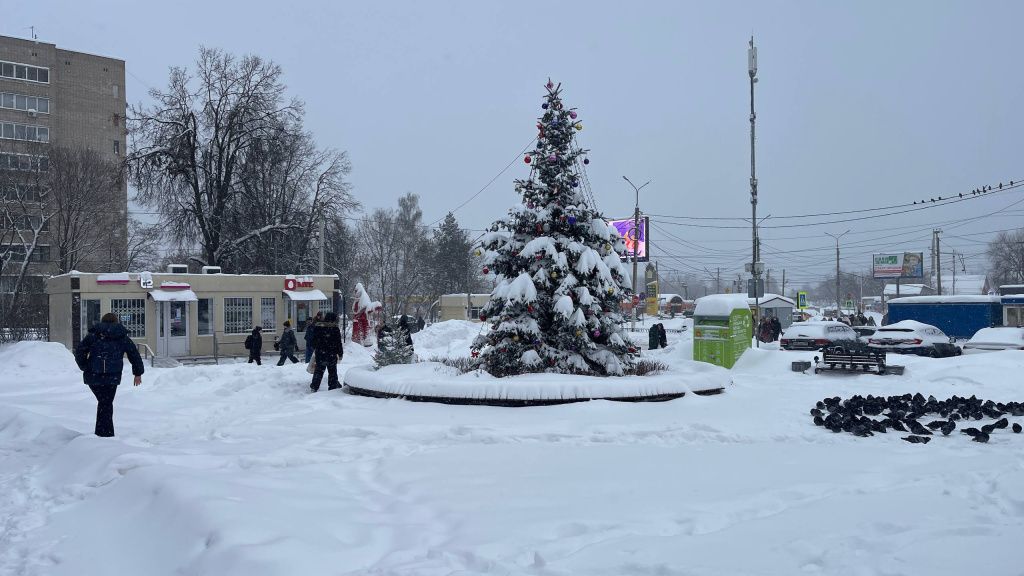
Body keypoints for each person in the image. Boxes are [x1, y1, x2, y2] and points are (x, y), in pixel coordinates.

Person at [74, 313, 145, 437]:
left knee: (104, 403)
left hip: (93, 376)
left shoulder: (93, 336)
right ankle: (105, 435)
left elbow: (80, 351)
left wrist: (85, 366)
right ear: (116, 321)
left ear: (102, 321)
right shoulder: (122, 337)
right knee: (105, 403)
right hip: (112, 377)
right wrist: (138, 373)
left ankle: (103, 434)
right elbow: (134, 354)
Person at [310, 312, 344, 392]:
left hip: (320, 353)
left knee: (319, 370)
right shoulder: (335, 329)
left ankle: (314, 387)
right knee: (332, 371)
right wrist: (340, 353)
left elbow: (313, 341)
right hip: (331, 354)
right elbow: (338, 343)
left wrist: (317, 348)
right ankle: (332, 387)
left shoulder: (318, 327)